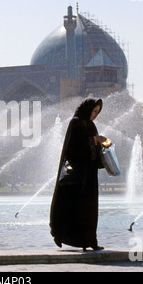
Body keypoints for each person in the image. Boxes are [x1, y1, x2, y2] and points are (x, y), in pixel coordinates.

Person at [50, 98, 111, 252]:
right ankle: (61, 234)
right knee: (71, 207)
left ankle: (90, 241)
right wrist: (95, 140)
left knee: (89, 209)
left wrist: (103, 147)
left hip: (89, 174)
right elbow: (73, 147)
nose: (95, 114)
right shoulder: (75, 122)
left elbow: (92, 148)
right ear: (87, 109)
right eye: (94, 111)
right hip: (76, 175)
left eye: (98, 112)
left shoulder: (91, 125)